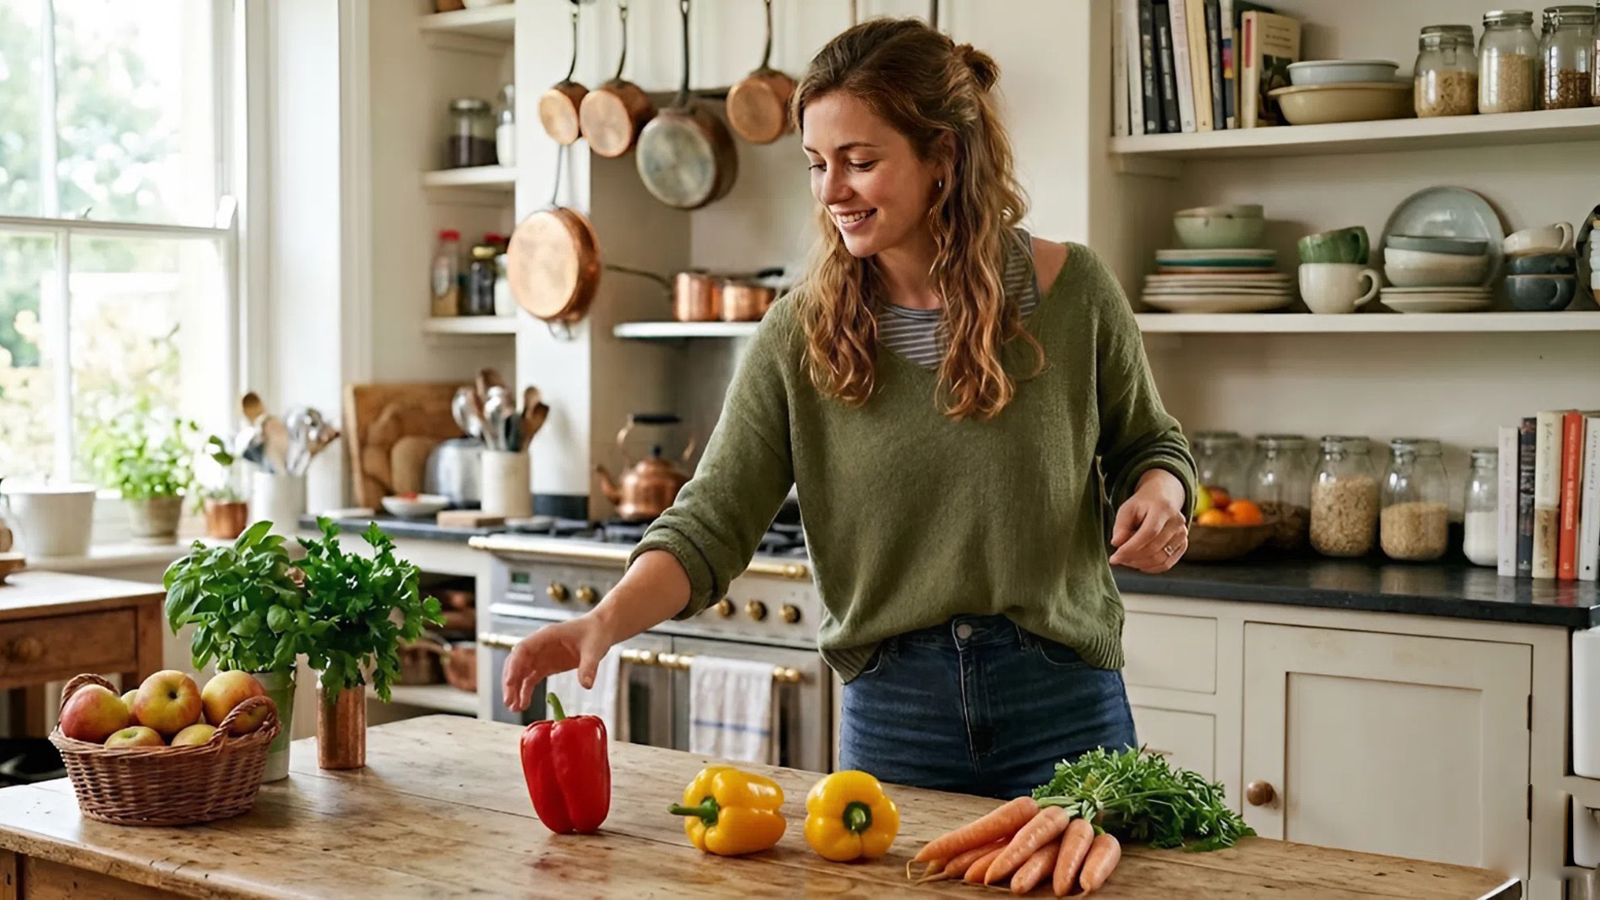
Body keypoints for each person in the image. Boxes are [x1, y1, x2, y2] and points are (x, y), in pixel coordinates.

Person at [501, 17, 1196, 801]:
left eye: (860, 162)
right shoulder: (797, 334)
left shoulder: (1076, 293)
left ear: (944, 156)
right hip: (895, 715)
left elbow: (1151, 445)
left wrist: (1159, 495)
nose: (832, 191)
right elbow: (711, 520)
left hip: (1065, 706)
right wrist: (605, 620)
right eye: (817, 164)